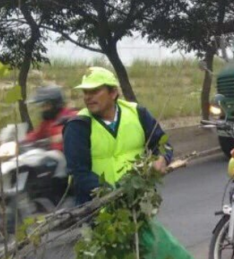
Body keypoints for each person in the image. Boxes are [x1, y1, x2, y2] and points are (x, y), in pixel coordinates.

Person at [63, 67, 173, 205]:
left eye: (95, 91)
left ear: (113, 92)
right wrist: (113, 194)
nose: (88, 97)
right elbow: (78, 172)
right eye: (85, 92)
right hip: (97, 209)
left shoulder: (137, 113)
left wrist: (162, 158)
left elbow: (163, 144)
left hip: (138, 203)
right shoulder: (78, 126)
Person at [23, 86, 78, 151]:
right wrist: (20, 141)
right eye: (42, 106)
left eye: (46, 105)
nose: (43, 108)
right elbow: (36, 135)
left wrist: (54, 139)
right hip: (51, 155)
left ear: (55, 104)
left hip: (70, 154)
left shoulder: (71, 116)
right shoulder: (48, 121)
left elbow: (75, 133)